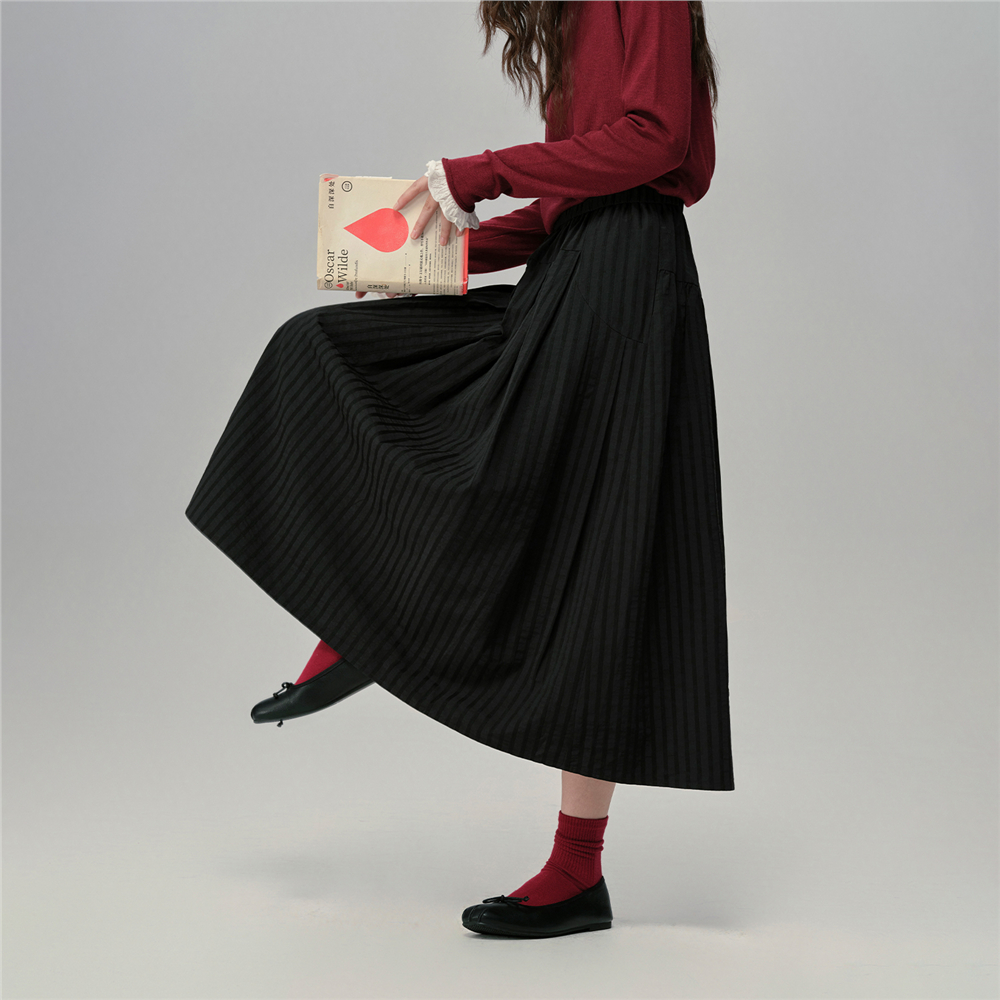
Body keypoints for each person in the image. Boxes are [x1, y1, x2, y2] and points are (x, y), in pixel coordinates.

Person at [186, 0, 734, 939]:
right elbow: (568, 202)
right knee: (321, 346)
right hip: (580, 272)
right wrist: (435, 257)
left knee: (598, 568)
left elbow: (655, 142)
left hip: (625, 285)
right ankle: (361, 625)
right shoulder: (574, 18)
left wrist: (481, 173)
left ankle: (576, 868)